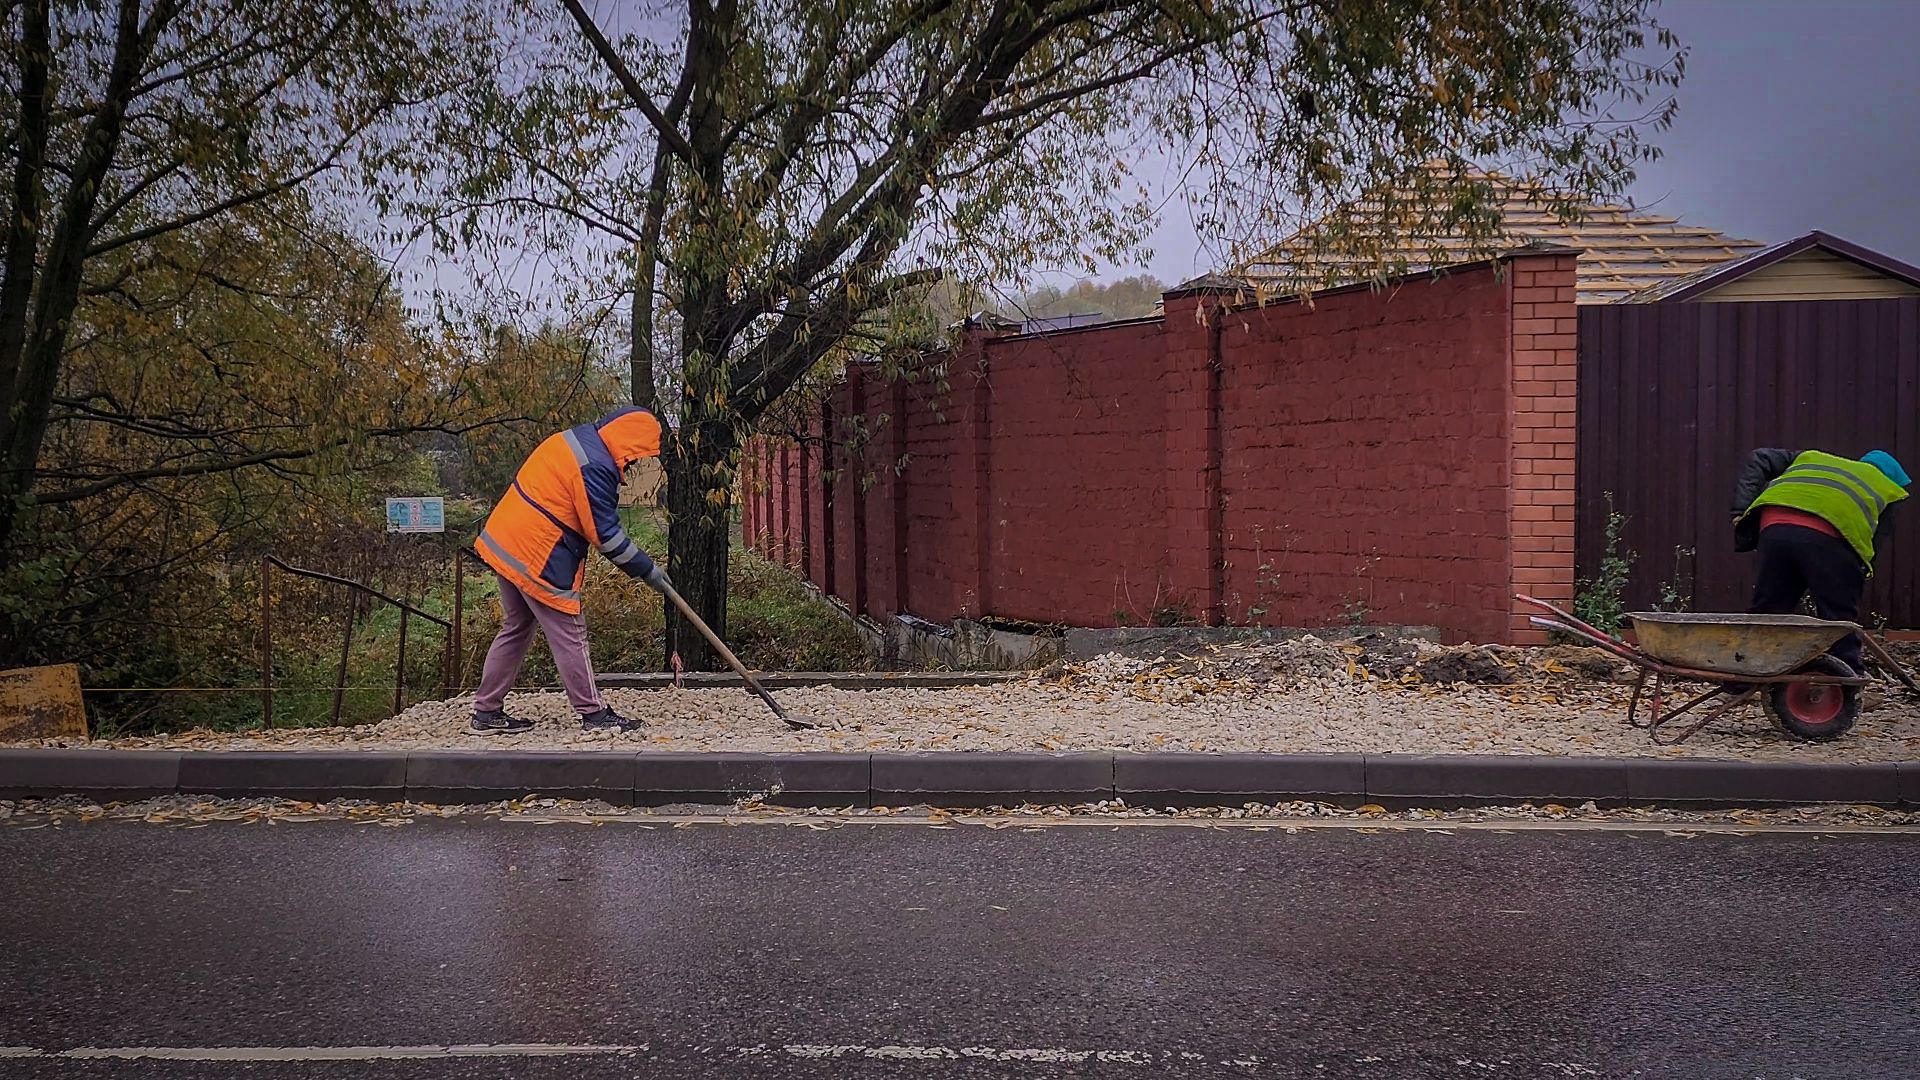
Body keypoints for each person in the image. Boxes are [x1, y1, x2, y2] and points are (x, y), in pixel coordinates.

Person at [470, 406, 672, 734]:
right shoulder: (594, 465)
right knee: (570, 633)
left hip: (507, 539)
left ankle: (486, 711)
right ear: (629, 442)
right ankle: (594, 714)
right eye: (637, 456)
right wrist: (647, 570)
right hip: (537, 551)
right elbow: (604, 534)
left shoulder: (578, 441)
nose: (635, 464)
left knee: (517, 626)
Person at [1731, 447, 1910, 674]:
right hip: (1827, 535)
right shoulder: (1886, 487)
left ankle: (1741, 676)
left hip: (1773, 527)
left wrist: (1741, 509)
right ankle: (1846, 679)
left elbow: (1760, 457)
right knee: (1838, 615)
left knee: (1769, 610)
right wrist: (1854, 575)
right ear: (1893, 478)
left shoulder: (1814, 458)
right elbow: (1872, 544)